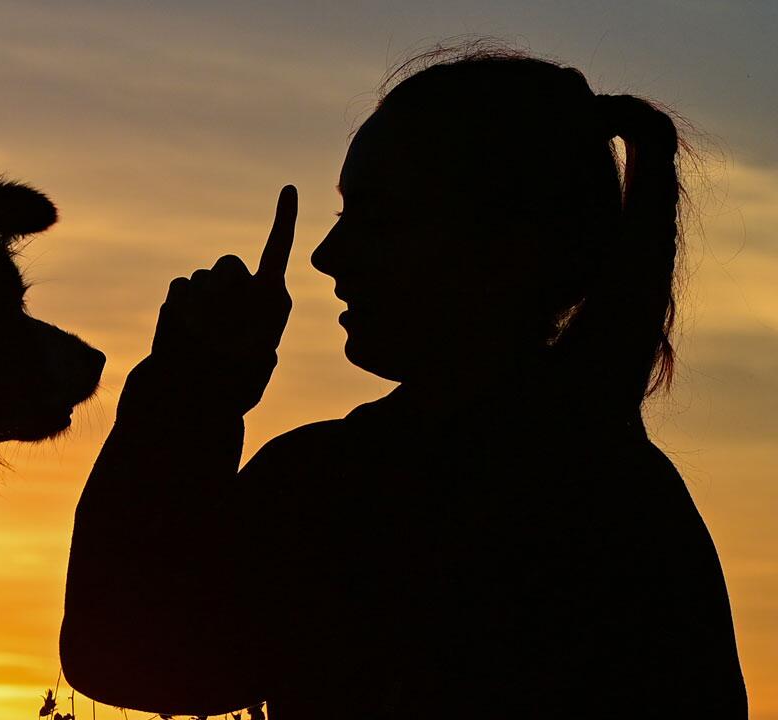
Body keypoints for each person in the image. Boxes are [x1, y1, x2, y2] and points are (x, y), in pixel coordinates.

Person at [59, 48, 749, 718]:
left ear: (506, 247)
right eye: (342, 216)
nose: (329, 256)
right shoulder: (629, 495)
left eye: (378, 218)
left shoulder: (348, 487)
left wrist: (191, 387)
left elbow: (124, 650)